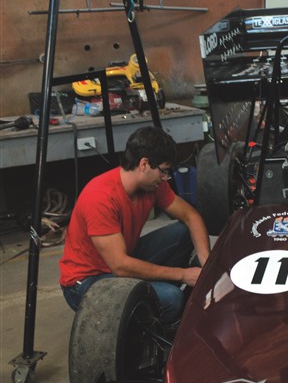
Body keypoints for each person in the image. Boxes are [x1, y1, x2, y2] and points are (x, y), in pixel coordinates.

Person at [59, 126, 210, 325]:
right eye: (164, 171)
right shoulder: (100, 198)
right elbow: (120, 266)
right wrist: (182, 275)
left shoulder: (153, 185)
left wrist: (207, 264)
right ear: (144, 164)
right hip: (86, 282)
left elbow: (191, 216)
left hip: (122, 259)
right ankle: (150, 323)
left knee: (182, 233)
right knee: (172, 299)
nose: (165, 178)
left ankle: (154, 291)